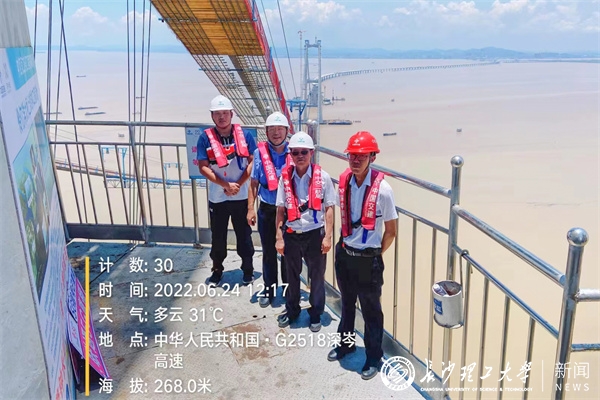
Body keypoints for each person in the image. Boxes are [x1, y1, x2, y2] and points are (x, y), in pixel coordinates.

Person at [327, 131, 397, 381]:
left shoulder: (384, 191)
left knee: (371, 311)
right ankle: (345, 345)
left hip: (368, 260)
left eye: (361, 156)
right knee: (346, 304)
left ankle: (373, 356)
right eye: (352, 156)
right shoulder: (344, 182)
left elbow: (391, 231)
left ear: (372, 157)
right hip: (345, 254)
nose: (355, 161)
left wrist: (374, 255)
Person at [275, 132, 336, 332]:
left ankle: (315, 313)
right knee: (291, 276)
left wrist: (328, 237)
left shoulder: (324, 178)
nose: (300, 156)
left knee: (317, 277)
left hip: (314, 233)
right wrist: (279, 238)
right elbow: (280, 210)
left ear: (311, 153)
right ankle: (292, 310)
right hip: (292, 233)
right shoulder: (285, 178)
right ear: (290, 154)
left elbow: (329, 208)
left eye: (304, 152)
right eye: (295, 152)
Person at [197, 95, 258, 286]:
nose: (221, 117)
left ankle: (247, 269)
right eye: (217, 114)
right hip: (218, 197)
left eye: (225, 113)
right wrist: (225, 185)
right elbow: (203, 166)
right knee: (218, 236)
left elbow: (253, 162)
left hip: (241, 195)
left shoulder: (246, 136)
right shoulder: (204, 138)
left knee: (244, 234)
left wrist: (237, 184)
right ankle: (217, 269)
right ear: (212, 116)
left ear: (232, 114)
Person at [247, 111, 292, 307]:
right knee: (268, 251)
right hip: (267, 208)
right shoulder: (259, 153)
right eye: (272, 129)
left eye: (280, 129)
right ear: (266, 132)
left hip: (289, 210)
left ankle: (289, 289)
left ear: (287, 131)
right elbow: (254, 183)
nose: (276, 133)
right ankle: (269, 288)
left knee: (288, 252)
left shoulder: (296, 152)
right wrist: (250, 208)